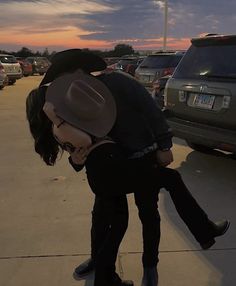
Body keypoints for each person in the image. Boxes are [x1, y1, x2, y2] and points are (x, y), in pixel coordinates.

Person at [26, 60, 230, 286]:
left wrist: (164, 146)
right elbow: (75, 143)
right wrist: (76, 159)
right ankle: (101, 265)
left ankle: (150, 267)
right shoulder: (73, 102)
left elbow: (152, 110)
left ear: (80, 71)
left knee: (148, 215)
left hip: (141, 157)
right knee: (105, 220)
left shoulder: (118, 82)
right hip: (110, 168)